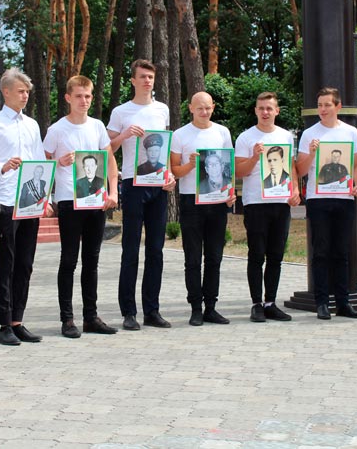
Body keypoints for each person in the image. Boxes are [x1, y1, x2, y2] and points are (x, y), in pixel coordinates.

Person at [0, 67, 52, 346]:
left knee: (25, 263)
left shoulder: (31, 125)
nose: (25, 96)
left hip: (29, 202)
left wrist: (45, 198)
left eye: (27, 92)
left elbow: (39, 161)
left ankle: (18, 320)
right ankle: (4, 323)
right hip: (5, 201)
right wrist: (2, 166)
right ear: (5, 91)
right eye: (20, 91)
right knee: (5, 263)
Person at [44, 75, 119, 338]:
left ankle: (91, 317)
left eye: (87, 96)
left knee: (92, 260)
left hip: (95, 201)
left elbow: (109, 160)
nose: (84, 101)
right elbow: (42, 163)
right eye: (78, 96)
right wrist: (58, 163)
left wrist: (113, 191)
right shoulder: (57, 130)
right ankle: (67, 319)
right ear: (68, 98)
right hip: (68, 201)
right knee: (69, 260)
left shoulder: (97, 126)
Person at [107, 59, 175, 330]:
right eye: (143, 77)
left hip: (158, 185)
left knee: (156, 250)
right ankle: (128, 312)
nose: (147, 81)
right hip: (133, 184)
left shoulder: (162, 109)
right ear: (133, 80)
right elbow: (107, 149)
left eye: (151, 77)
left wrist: (169, 174)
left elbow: (165, 146)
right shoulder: (121, 112)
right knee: (131, 249)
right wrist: (124, 135)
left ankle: (152, 310)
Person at [296, 87, 357, 321]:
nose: (323, 109)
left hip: (344, 199)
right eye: (320, 105)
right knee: (321, 251)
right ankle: (322, 302)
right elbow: (300, 170)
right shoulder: (309, 134)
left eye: (327, 105)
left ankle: (343, 302)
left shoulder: (351, 132)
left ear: (338, 106)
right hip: (318, 199)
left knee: (342, 251)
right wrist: (311, 154)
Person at [235, 91, 301, 322]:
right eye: (261, 108)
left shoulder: (285, 136)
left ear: (276, 111)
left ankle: (270, 302)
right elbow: (239, 171)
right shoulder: (245, 138)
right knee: (256, 254)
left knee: (276, 255)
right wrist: (254, 157)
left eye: (269, 108)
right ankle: (256, 304)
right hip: (255, 203)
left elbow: (291, 165)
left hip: (280, 203)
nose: (265, 112)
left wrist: (295, 190)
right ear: (255, 110)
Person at [171, 92, 235, 326]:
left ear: (213, 107)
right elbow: (174, 170)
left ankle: (211, 307)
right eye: (199, 108)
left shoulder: (222, 132)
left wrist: (230, 193)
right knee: (192, 258)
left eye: (207, 108)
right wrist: (190, 164)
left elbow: (229, 166)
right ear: (190, 108)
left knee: (215, 257)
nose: (204, 112)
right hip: (191, 201)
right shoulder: (180, 135)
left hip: (217, 202)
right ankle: (195, 308)